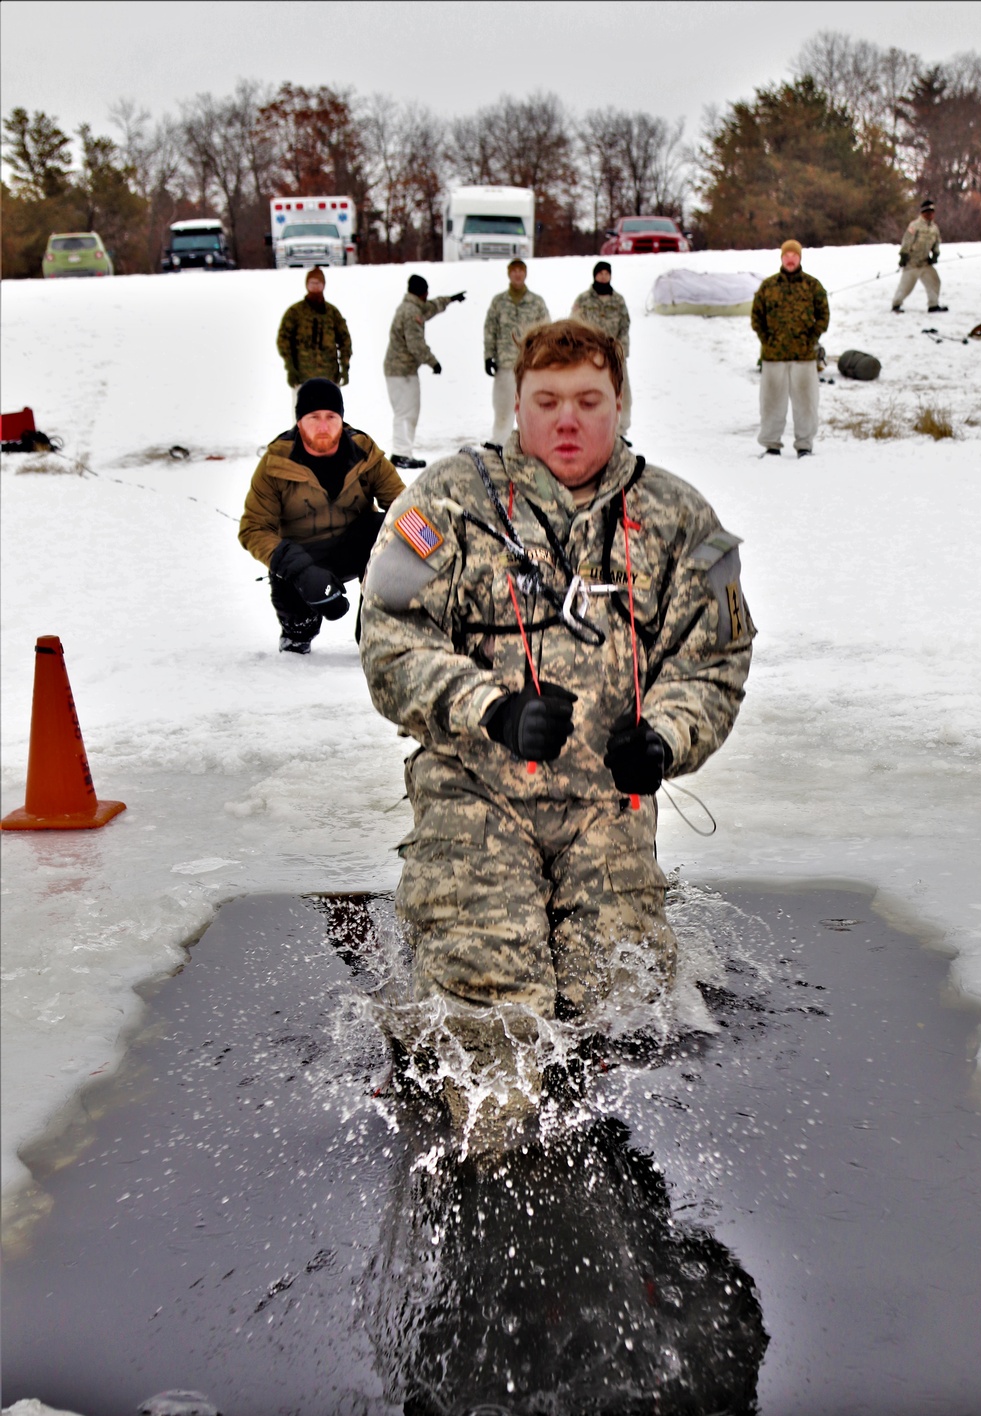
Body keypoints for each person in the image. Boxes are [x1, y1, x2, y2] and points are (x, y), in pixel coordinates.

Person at [360, 320, 754, 1108]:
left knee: (621, 1001)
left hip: (605, 805)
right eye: (546, 400)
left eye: (588, 400)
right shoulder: (446, 501)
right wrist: (491, 708)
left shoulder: (677, 519)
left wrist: (665, 739)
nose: (567, 420)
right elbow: (389, 638)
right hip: (477, 795)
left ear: (620, 403)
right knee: (491, 1008)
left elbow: (714, 658)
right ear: (516, 405)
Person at [239, 378, 404, 654]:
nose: (324, 426)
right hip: (302, 559)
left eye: (331, 416)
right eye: (314, 417)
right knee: (292, 601)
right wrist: (303, 571)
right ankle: (297, 632)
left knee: (383, 529)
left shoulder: (365, 452)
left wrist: (433, 550)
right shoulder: (276, 462)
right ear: (299, 422)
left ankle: (376, 630)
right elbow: (253, 528)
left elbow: (405, 506)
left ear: (341, 419)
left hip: (352, 548)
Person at [750, 240, 829, 459]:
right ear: (781, 258)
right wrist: (767, 340)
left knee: (806, 403)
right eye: (787, 255)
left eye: (794, 255)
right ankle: (771, 445)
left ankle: (804, 445)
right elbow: (757, 317)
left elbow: (823, 315)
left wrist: (811, 338)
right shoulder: (769, 286)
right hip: (774, 357)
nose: (790, 259)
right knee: (771, 403)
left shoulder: (812, 286)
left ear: (800, 258)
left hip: (803, 357)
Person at [383, 274, 466, 470]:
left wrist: (450, 300)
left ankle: (401, 452)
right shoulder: (412, 313)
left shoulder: (411, 307)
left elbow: (430, 308)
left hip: (399, 369)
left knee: (405, 411)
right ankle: (401, 453)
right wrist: (433, 362)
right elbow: (416, 344)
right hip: (402, 371)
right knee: (406, 412)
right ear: (423, 292)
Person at [483, 258, 550, 445]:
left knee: (530, 405)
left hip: (530, 364)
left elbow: (546, 331)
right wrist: (488, 356)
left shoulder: (536, 302)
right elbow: (490, 329)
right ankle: (500, 441)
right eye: (514, 271)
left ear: (525, 274)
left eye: (521, 270)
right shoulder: (499, 302)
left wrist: (544, 358)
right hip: (505, 363)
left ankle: (530, 441)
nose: (517, 274)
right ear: (509, 274)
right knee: (503, 406)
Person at [571, 261, 632, 438]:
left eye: (607, 273)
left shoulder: (618, 300)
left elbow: (624, 326)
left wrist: (620, 350)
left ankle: (620, 431)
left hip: (614, 355)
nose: (604, 276)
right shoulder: (583, 299)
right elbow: (575, 323)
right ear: (595, 275)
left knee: (621, 392)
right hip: (590, 356)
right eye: (600, 273)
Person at [276, 267, 352, 395]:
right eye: (312, 283)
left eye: (318, 283)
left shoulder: (332, 312)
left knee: (329, 412)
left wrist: (345, 367)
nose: (315, 286)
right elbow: (283, 340)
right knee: (304, 413)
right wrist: (290, 367)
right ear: (306, 285)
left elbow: (345, 340)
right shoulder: (295, 312)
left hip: (330, 376)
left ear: (324, 285)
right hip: (302, 376)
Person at [892, 200, 947, 314]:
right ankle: (896, 305)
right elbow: (906, 242)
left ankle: (933, 305)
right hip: (912, 263)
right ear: (922, 213)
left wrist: (935, 255)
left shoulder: (934, 228)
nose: (930, 215)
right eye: (927, 212)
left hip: (925, 263)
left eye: (932, 212)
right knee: (906, 287)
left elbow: (936, 243)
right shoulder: (914, 226)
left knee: (935, 282)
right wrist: (903, 256)